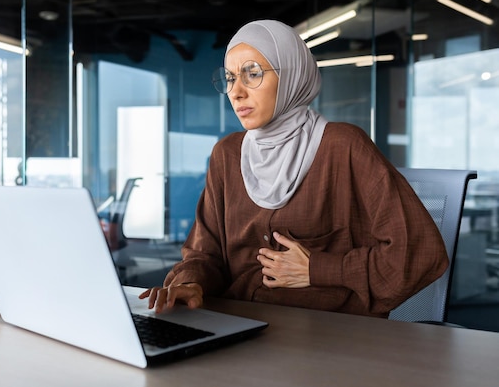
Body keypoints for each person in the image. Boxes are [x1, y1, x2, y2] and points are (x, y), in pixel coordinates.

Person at [140, 19, 449, 318]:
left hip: (329, 337)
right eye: (231, 78)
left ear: (291, 76)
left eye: (252, 73)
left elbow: (419, 254)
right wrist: (189, 284)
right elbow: (204, 255)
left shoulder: (342, 146)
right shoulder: (227, 154)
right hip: (239, 326)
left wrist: (318, 268)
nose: (236, 92)